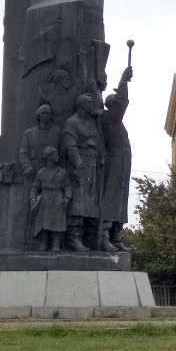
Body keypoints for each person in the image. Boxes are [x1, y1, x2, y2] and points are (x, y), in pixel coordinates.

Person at [61, 93, 102, 251]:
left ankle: (88, 239)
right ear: (81, 105)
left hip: (92, 163)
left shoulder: (91, 122)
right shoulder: (72, 122)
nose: (92, 105)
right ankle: (73, 238)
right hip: (80, 163)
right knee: (78, 203)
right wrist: (78, 165)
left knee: (91, 204)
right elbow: (70, 145)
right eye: (89, 103)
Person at [101, 66, 133, 252]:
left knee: (121, 198)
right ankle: (105, 236)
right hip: (114, 162)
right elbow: (122, 102)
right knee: (112, 198)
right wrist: (123, 81)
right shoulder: (109, 119)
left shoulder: (116, 122)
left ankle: (116, 236)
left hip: (122, 163)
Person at [29, 146, 72, 252]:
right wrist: (32, 197)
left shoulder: (62, 172)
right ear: (48, 157)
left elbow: (68, 186)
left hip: (57, 197)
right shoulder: (41, 173)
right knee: (44, 222)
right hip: (45, 198)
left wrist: (67, 197)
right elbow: (35, 186)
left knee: (57, 222)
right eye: (55, 155)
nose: (57, 157)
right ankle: (44, 244)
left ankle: (56, 244)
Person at [19, 103, 62, 179]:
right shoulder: (29, 133)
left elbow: (62, 152)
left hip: (52, 170)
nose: (45, 116)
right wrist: (26, 166)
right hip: (34, 169)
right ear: (39, 115)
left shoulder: (57, 132)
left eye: (48, 113)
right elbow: (23, 153)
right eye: (43, 113)